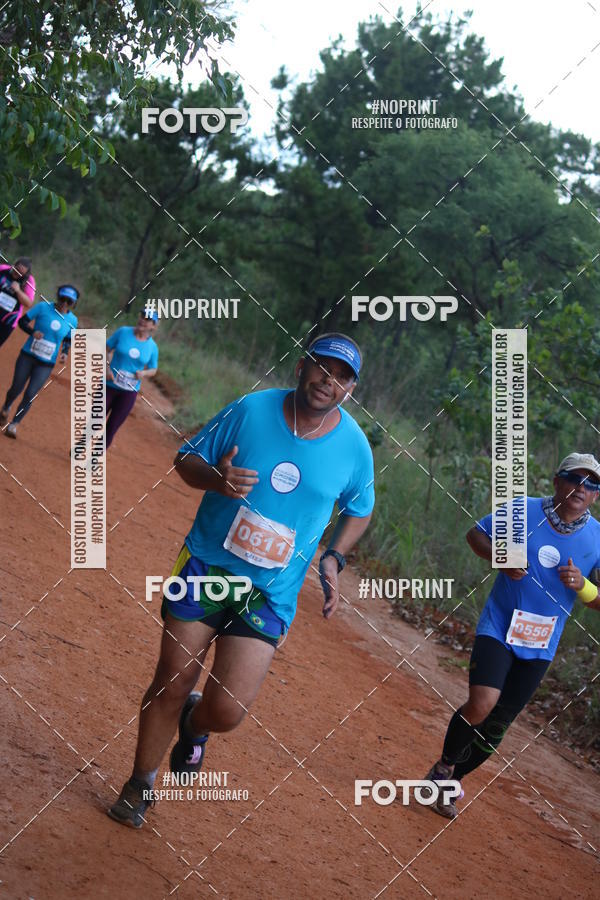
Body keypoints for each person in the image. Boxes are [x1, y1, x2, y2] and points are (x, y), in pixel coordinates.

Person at [108, 332, 375, 828]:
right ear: (302, 366)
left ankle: (195, 723)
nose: (329, 381)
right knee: (173, 679)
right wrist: (217, 479)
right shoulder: (252, 409)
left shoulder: (355, 449)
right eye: (322, 367)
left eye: (342, 377)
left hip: (270, 592)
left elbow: (361, 507)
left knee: (228, 710)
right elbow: (186, 459)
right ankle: (140, 783)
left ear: (350, 389)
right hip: (207, 566)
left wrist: (334, 556)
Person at [424, 453, 600, 818]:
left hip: (541, 644)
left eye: (591, 484)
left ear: (596, 495)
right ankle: (443, 767)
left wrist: (582, 585)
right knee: (482, 703)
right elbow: (476, 535)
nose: (581, 488)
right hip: (500, 626)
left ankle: (452, 781)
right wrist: (500, 557)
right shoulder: (523, 510)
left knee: (498, 726)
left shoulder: (597, 538)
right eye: (574, 479)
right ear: (557, 480)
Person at [0, 284, 79, 438]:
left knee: (30, 394)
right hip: (27, 356)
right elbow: (22, 322)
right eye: (62, 299)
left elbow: (68, 339)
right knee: (16, 388)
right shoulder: (43, 307)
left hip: (46, 364)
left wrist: (64, 353)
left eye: (69, 301)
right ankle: (6, 408)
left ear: (73, 303)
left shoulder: (73, 320)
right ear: (58, 297)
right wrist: (32, 332)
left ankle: (14, 425)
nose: (64, 303)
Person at [104, 309, 159, 448]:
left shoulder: (152, 347)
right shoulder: (123, 332)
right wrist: (107, 368)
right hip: (109, 385)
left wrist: (144, 373)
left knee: (112, 427)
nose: (143, 320)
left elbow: (153, 369)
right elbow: (106, 349)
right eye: (142, 316)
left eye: (148, 319)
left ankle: (94, 456)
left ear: (153, 326)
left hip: (128, 393)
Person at [0, 257, 36, 347]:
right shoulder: (3, 269)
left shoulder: (29, 281)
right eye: (16, 270)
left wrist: (18, 291)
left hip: (8, 320)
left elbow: (28, 303)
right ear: (13, 265)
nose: (16, 274)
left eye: (21, 273)